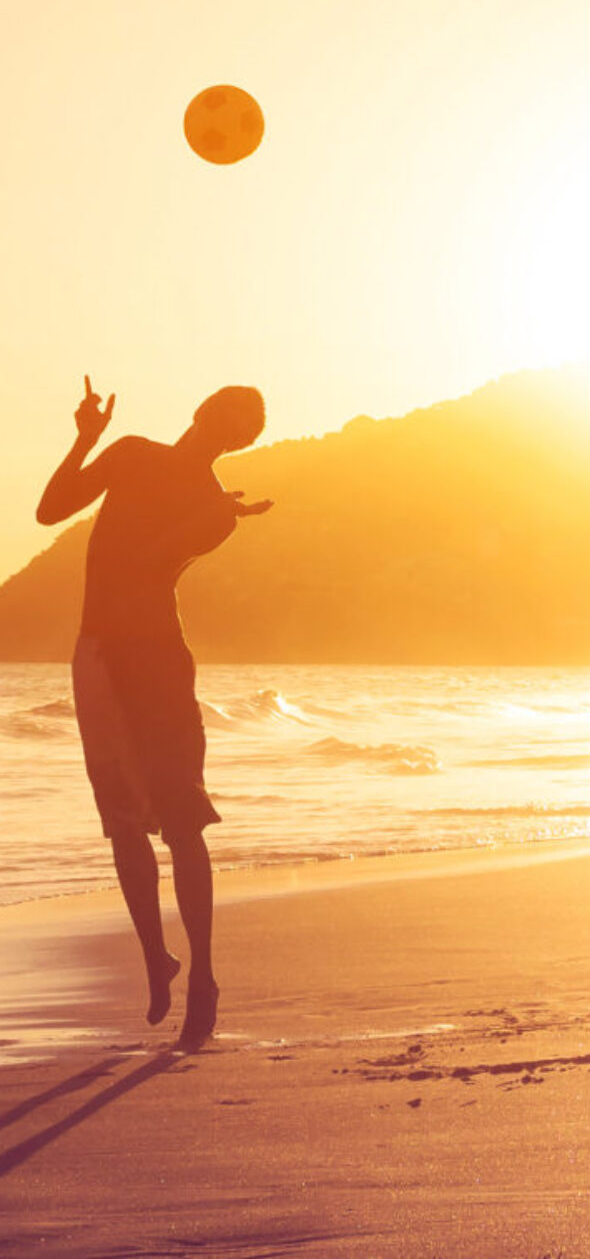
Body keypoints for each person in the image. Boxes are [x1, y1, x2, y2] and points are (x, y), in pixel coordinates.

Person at [37, 377, 271, 1051]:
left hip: (158, 661)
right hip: (100, 655)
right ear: (203, 412)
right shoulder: (135, 455)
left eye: (236, 430)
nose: (223, 431)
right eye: (223, 418)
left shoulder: (208, 506)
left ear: (239, 440)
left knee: (182, 819)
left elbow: (147, 563)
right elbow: (51, 510)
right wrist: (88, 440)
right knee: (120, 822)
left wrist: (204, 512)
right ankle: (156, 958)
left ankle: (204, 977)